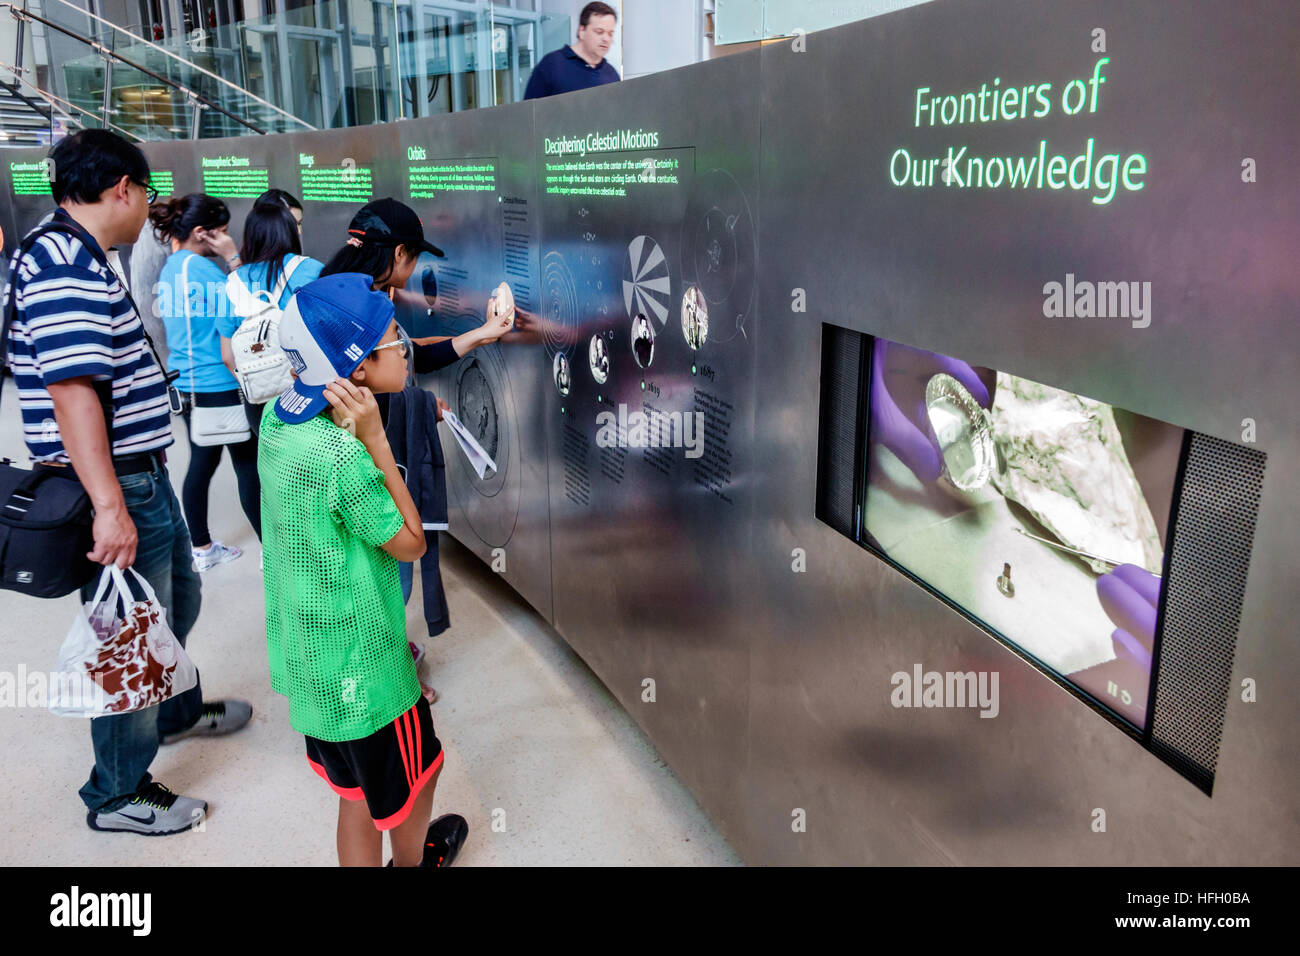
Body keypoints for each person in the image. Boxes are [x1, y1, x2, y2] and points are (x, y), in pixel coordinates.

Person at [3, 129, 250, 836]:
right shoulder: (59, 263)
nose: (148, 206)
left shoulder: (82, 253)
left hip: (142, 474)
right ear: (122, 190)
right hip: (115, 485)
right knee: (127, 639)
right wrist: (109, 508)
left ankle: (171, 710)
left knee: (179, 597)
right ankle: (116, 792)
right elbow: (73, 392)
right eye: (144, 192)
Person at [257, 272, 468, 866]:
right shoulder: (343, 453)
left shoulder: (278, 420)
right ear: (354, 373)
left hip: (312, 664)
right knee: (417, 779)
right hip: (368, 673)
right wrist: (376, 439)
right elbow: (409, 545)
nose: (404, 349)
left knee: (355, 795)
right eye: (393, 342)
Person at [151, 193, 260, 571]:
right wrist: (232, 257)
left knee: (201, 463)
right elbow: (249, 309)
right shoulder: (207, 272)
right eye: (223, 232)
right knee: (248, 465)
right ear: (203, 233)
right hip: (219, 382)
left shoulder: (170, 270)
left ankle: (200, 547)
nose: (225, 238)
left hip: (185, 385)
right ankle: (275, 552)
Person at [220, 199, 323, 433]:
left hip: (259, 407)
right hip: (310, 397)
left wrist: (260, 385)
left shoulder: (233, 282)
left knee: (271, 468)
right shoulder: (311, 269)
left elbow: (227, 356)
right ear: (290, 232)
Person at [523, 1, 620, 100]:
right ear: (581, 31)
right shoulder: (551, 65)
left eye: (610, 34)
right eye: (599, 32)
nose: (606, 39)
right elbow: (529, 112)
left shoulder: (612, 75)